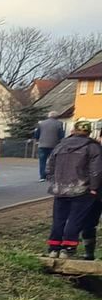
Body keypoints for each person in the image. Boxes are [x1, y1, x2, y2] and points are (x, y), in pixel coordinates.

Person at [44, 118, 102, 264]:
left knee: (59, 219)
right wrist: (94, 188)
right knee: (75, 219)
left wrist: (55, 182)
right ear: (89, 132)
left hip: (60, 189)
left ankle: (53, 247)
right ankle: (67, 248)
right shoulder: (93, 147)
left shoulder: (60, 146)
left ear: (73, 130)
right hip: (82, 189)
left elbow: (49, 166)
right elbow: (96, 171)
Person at [35, 113, 65, 180]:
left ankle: (42, 177)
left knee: (42, 161)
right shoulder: (59, 123)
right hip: (54, 145)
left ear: (48, 116)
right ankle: (52, 176)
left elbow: (37, 133)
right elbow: (61, 135)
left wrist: (38, 140)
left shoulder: (41, 123)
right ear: (57, 117)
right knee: (54, 161)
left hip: (42, 145)